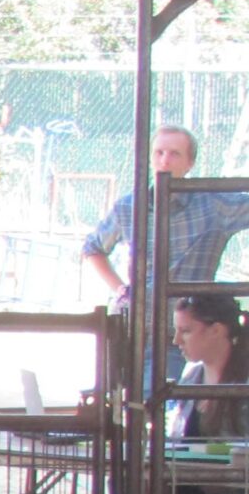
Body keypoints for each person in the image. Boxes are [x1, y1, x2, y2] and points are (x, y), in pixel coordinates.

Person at [81, 126, 249, 350]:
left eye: (174, 153)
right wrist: (121, 290)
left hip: (182, 330)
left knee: (156, 383)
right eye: (159, 152)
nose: (165, 160)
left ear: (190, 163)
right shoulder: (129, 206)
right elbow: (92, 248)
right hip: (132, 323)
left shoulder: (214, 205)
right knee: (129, 382)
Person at [168, 291, 248, 494]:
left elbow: (241, 452)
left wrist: (193, 453)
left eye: (186, 331)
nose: (176, 340)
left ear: (216, 330)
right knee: (135, 484)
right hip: (193, 490)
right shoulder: (191, 377)